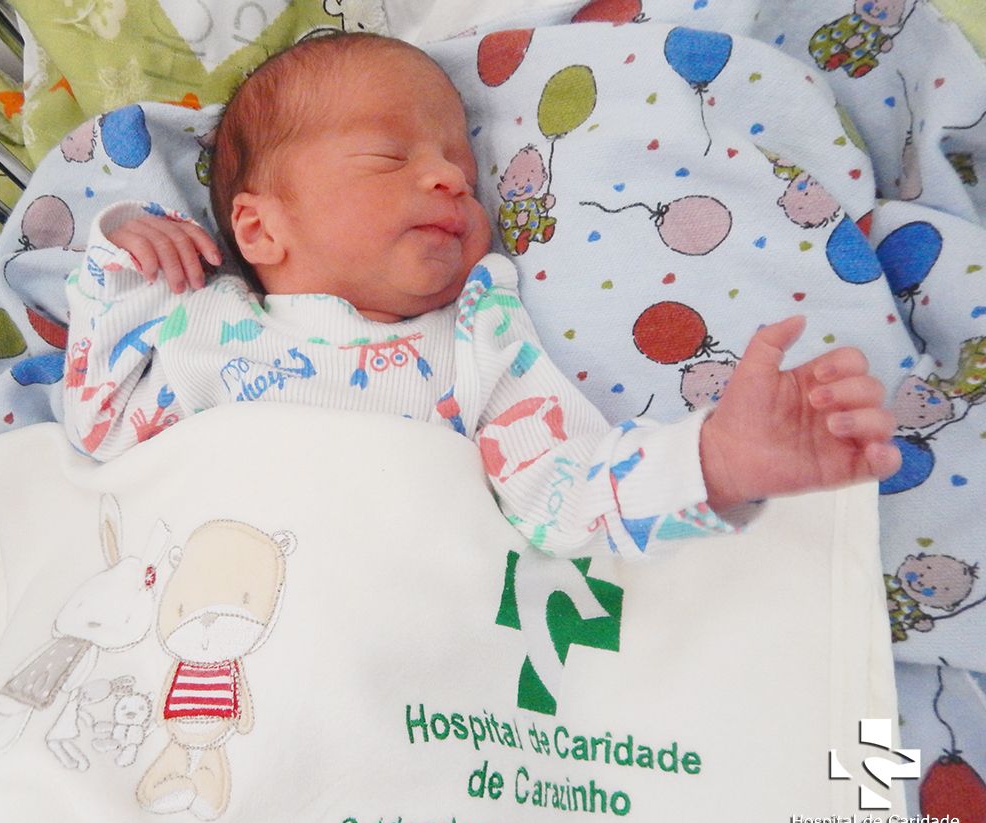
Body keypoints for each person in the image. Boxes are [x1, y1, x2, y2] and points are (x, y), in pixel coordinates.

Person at [63, 32, 899, 558]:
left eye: (462, 169)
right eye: (390, 158)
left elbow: (563, 496)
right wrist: (123, 251)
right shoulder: (202, 322)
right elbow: (97, 424)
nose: (450, 180)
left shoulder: (475, 343)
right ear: (258, 228)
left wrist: (714, 461)